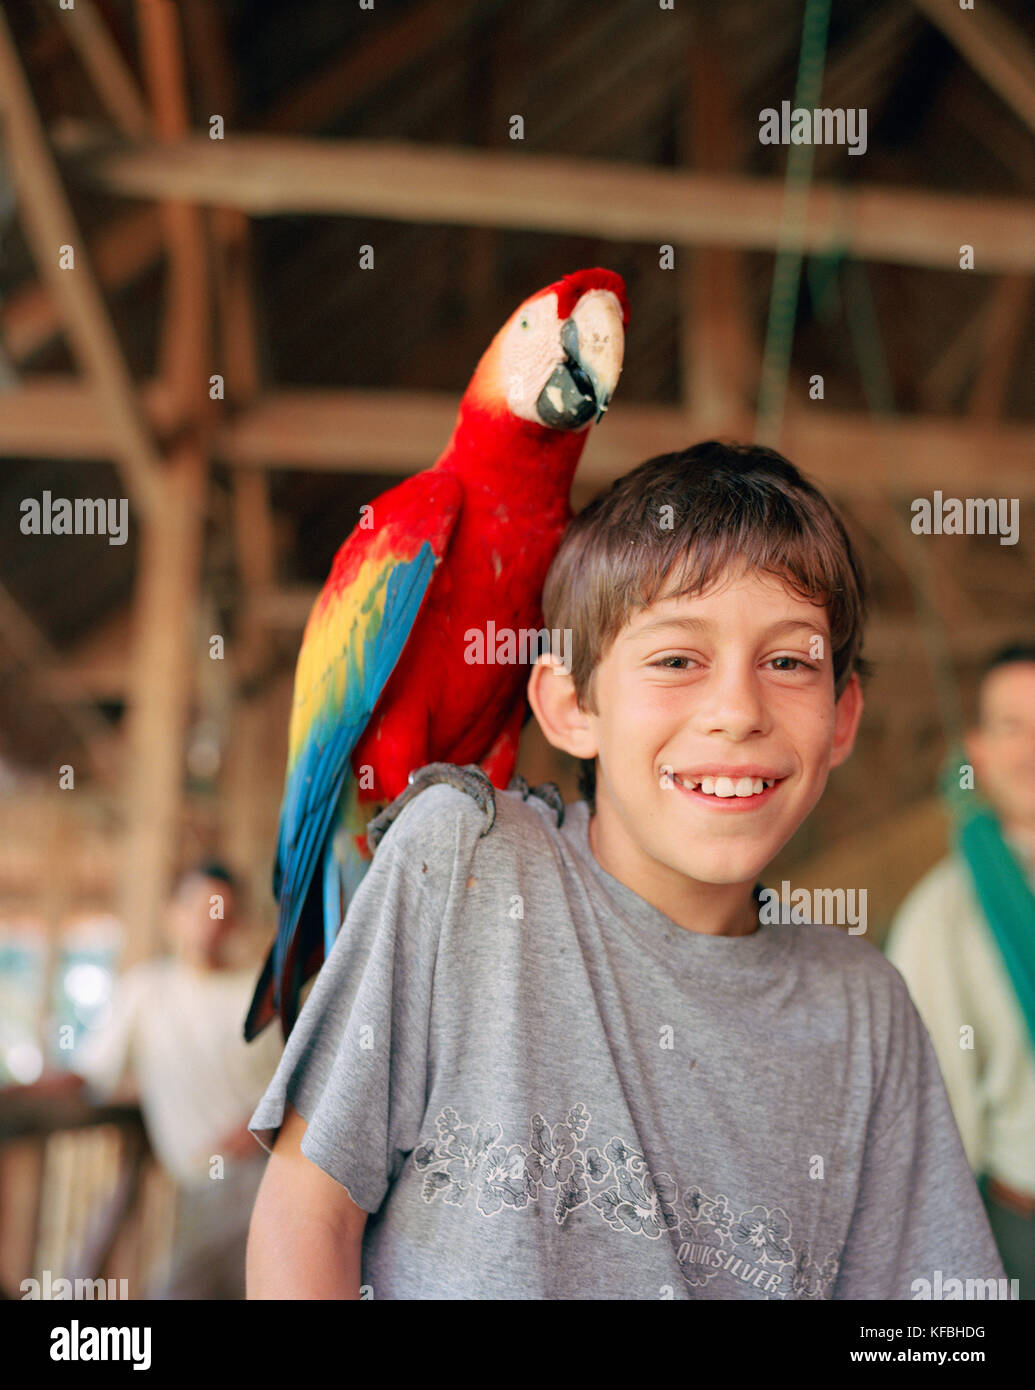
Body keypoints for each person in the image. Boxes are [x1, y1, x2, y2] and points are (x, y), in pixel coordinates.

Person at [246, 441, 1004, 1300]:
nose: (735, 713)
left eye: (788, 661)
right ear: (570, 706)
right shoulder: (461, 859)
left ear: (840, 718)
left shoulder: (866, 1012)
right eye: (677, 660)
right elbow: (306, 1212)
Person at [884, 646, 1035, 1299]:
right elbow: (937, 1129)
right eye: (1010, 726)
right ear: (976, 748)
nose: (1031, 746)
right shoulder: (939, 918)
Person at [72, 861, 282, 1298]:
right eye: (198, 907)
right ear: (173, 914)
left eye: (220, 909)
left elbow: (298, 1089)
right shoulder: (146, 992)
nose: (209, 921)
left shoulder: (259, 997)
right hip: (198, 1186)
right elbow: (90, 1072)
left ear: (236, 920)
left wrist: (258, 1128)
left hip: (263, 1175)